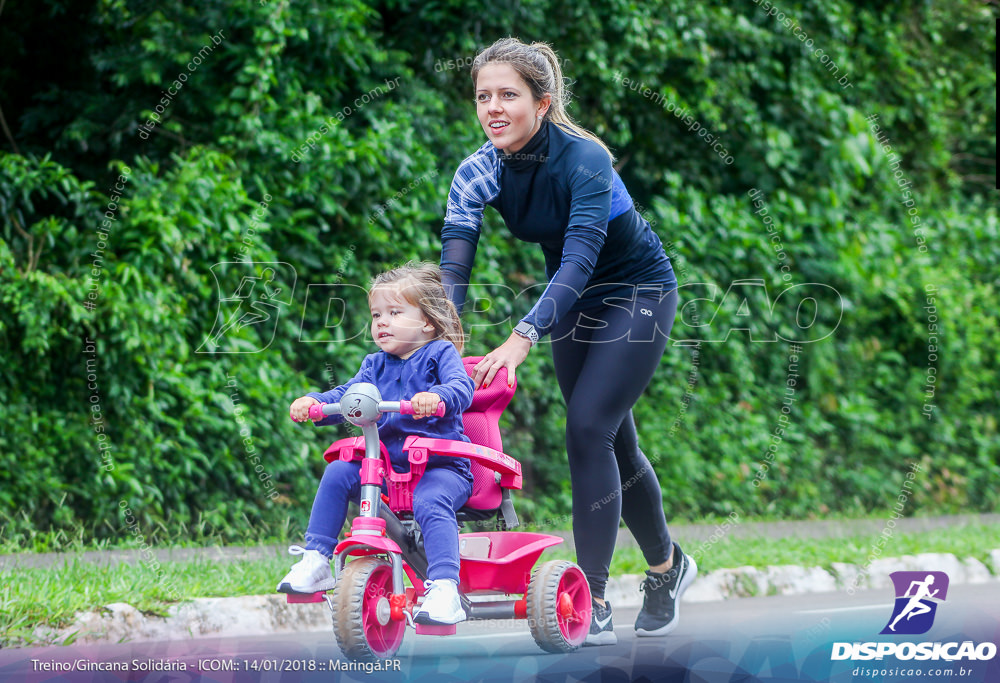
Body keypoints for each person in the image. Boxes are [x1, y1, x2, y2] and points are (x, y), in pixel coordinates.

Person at [439, 37, 697, 644]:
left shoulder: (584, 159)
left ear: (543, 102)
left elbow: (581, 258)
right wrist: (442, 341)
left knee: (587, 428)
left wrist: (523, 334)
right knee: (614, 442)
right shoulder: (478, 171)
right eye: (483, 97)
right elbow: (454, 268)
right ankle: (668, 567)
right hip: (573, 300)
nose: (493, 108)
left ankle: (595, 597)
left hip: (637, 292)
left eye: (509, 95)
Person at [278, 262, 476, 625]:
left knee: (431, 499)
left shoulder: (440, 354)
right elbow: (350, 395)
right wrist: (317, 403)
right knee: (339, 472)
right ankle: (317, 558)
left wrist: (437, 396)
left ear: (427, 322)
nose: (381, 322)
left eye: (395, 312)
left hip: (440, 468)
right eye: (376, 315)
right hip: (387, 468)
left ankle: (445, 586)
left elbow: (462, 388)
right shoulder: (375, 365)